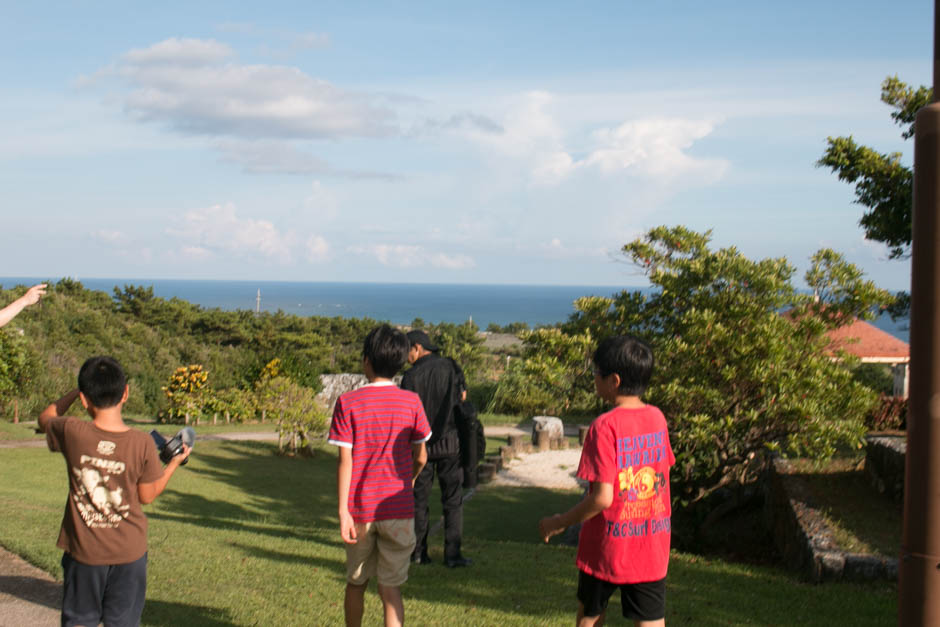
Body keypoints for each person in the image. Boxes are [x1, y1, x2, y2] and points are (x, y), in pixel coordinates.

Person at [37, 356, 191, 627]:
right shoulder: (141, 442)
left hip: (84, 555)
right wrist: (174, 463)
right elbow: (147, 496)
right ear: (126, 393)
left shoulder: (72, 431)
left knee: (79, 621)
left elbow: (46, 417)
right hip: (129, 555)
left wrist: (75, 392)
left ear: (85, 400)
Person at [538, 335, 674, 627]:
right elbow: (662, 475)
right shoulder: (657, 418)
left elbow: (602, 498)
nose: (594, 379)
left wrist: (559, 521)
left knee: (589, 617)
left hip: (607, 546)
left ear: (614, 380)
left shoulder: (605, 426)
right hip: (651, 543)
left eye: (596, 374)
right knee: (651, 621)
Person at [328, 324, 431, 627]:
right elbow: (422, 456)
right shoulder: (411, 403)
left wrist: (343, 511)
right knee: (390, 589)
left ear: (366, 361)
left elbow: (345, 461)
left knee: (356, 583)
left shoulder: (348, 403)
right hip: (398, 509)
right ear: (400, 362)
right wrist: (408, 480)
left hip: (360, 510)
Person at [401, 329, 472, 568]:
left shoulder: (410, 378)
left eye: (407, 350)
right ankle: (452, 555)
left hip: (420, 446)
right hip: (450, 443)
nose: (405, 356)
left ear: (418, 348)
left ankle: (418, 552)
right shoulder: (451, 367)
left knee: (418, 499)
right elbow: (462, 398)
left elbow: (406, 415)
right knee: (452, 500)